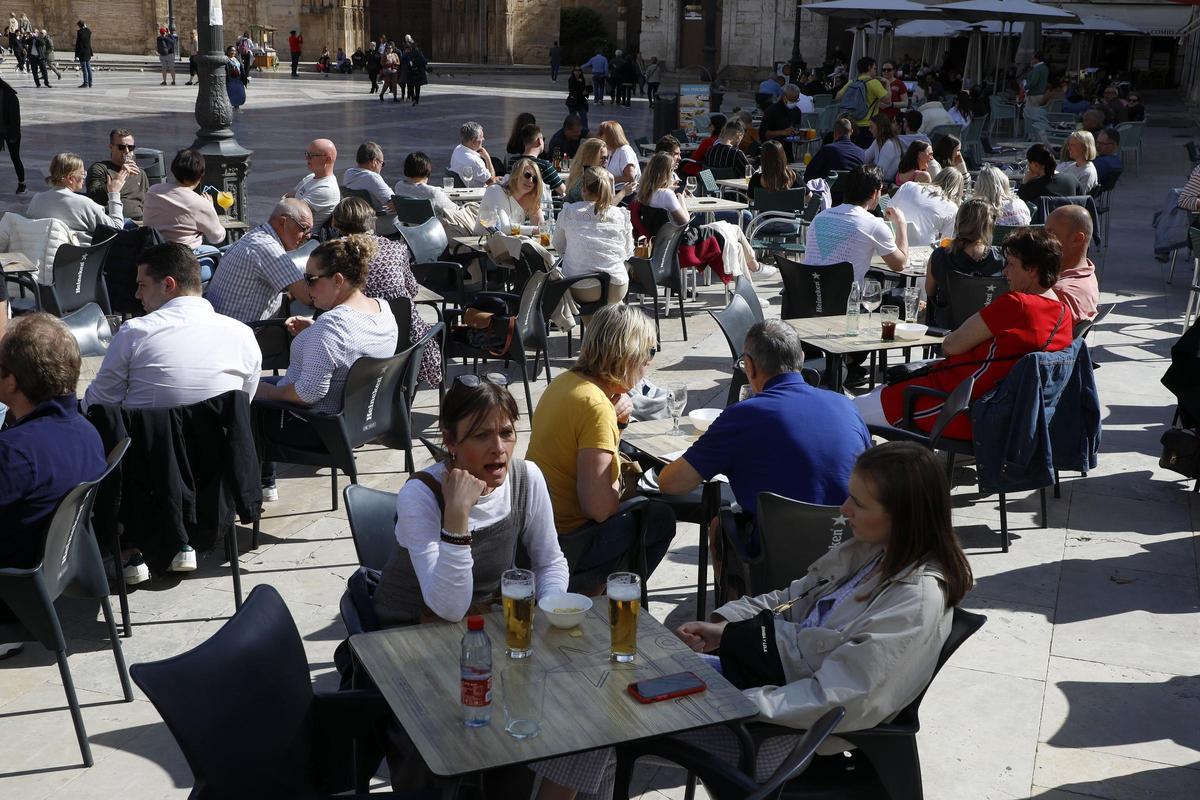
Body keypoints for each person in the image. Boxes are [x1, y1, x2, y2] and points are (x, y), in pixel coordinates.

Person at [532, 440, 973, 800]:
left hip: (777, 734)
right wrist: (725, 627)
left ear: (905, 517)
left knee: (601, 721)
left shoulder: (913, 599)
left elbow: (839, 700)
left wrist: (734, 700)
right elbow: (789, 598)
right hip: (759, 688)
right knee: (603, 687)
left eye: (858, 502)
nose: (843, 510)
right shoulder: (872, 552)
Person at [657, 320, 870, 558]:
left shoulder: (743, 416)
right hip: (849, 548)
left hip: (780, 559)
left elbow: (671, 484)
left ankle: (738, 595)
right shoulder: (844, 404)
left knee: (720, 525)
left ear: (749, 366)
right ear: (800, 357)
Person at [372, 375, 568, 628]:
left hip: (483, 622)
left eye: (506, 433)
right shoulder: (421, 495)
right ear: (451, 441)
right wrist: (457, 514)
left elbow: (550, 563)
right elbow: (449, 608)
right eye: (481, 435)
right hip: (410, 630)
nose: (499, 448)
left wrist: (549, 609)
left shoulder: (526, 478)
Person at [854, 228, 1072, 439]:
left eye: (1012, 265)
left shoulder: (1018, 304)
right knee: (872, 397)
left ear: (1032, 269)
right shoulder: (1064, 314)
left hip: (955, 407)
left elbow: (951, 345)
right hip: (1004, 415)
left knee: (848, 413)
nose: (1005, 272)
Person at [525, 304, 675, 582]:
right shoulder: (596, 406)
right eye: (650, 352)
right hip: (568, 543)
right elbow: (599, 508)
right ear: (628, 356)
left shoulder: (564, 382)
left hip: (536, 531)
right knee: (660, 518)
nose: (651, 361)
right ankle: (601, 596)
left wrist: (617, 423)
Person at [253, 235, 398, 499]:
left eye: (311, 279)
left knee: (241, 402)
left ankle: (255, 489)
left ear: (338, 280)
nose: (306, 287)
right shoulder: (382, 310)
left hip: (317, 425)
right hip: (360, 419)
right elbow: (353, 348)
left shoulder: (331, 327)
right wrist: (314, 332)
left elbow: (308, 393)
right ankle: (263, 484)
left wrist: (266, 393)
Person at [0, 313, 108, 656]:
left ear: (13, 382)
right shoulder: (85, 432)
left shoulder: (16, 452)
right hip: (52, 578)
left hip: (14, 595)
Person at [82, 241, 261, 422]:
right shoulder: (244, 335)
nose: (137, 294)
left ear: (168, 285)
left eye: (142, 285)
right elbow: (241, 407)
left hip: (147, 448)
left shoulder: (136, 332)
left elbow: (98, 405)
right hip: (219, 447)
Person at [329, 198, 442, 386]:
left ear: (337, 223)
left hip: (353, 338)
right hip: (401, 338)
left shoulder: (335, 252)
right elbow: (412, 290)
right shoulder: (396, 248)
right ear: (370, 221)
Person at [634, 152, 763, 287]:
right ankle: (754, 269)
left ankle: (750, 282)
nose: (673, 174)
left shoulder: (645, 193)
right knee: (735, 234)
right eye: (672, 170)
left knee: (736, 244)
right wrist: (681, 198)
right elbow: (685, 221)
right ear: (665, 173)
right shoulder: (666, 194)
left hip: (664, 245)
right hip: (685, 244)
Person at [205, 199, 314, 322]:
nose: (308, 236)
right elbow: (308, 297)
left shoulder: (257, 235)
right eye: (304, 228)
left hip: (220, 321)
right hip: (242, 332)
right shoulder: (268, 247)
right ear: (283, 221)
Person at [803, 165, 908, 285]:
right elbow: (900, 264)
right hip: (845, 300)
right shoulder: (874, 225)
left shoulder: (819, 217)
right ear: (874, 193)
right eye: (882, 190)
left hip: (808, 296)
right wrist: (901, 224)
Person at [553, 167, 633, 309]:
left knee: (588, 308)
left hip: (581, 284)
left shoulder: (569, 212)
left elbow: (558, 246)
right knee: (610, 304)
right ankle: (605, 329)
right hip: (617, 284)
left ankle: (595, 330)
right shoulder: (620, 214)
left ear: (583, 188)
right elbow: (627, 252)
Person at [141, 148, 226, 278]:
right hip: (184, 265)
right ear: (200, 176)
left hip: (154, 261)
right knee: (222, 254)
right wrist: (210, 207)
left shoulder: (153, 191)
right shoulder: (200, 203)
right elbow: (217, 237)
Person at [924, 199, 1005, 329]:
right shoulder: (1002, 259)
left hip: (948, 332)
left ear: (958, 223)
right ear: (989, 227)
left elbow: (930, 292)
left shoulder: (940, 256)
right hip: (987, 334)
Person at [27, 152, 125, 245]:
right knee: (129, 224)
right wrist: (114, 193)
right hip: (78, 259)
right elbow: (116, 230)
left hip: (42, 255)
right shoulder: (83, 204)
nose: (84, 178)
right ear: (70, 178)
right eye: (83, 174)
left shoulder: (37, 199)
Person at [1044, 204, 1099, 324]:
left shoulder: (1058, 292)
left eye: (1051, 234)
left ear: (1077, 239)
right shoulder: (1088, 272)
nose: (1044, 239)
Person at [86, 128, 149, 222]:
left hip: (139, 222)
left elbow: (146, 203)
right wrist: (119, 177)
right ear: (111, 147)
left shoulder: (140, 173)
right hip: (112, 222)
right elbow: (95, 198)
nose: (127, 151)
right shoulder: (100, 168)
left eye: (131, 147)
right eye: (121, 147)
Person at [890, 168, 962, 246]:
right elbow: (944, 244)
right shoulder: (952, 208)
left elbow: (888, 212)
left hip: (893, 242)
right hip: (922, 250)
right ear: (956, 190)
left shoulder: (908, 185)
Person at [475, 157, 546, 234]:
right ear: (516, 175)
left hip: (507, 243)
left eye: (535, 179)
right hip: (480, 243)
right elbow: (502, 228)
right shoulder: (495, 190)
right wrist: (534, 230)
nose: (531, 181)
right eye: (527, 175)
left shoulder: (529, 199)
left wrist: (535, 205)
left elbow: (542, 229)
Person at [836, 57, 891, 148]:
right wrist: (887, 83)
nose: (876, 71)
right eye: (875, 68)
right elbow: (888, 100)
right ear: (869, 68)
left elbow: (838, 97)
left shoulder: (852, 82)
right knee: (865, 155)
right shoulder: (873, 83)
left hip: (851, 124)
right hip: (868, 126)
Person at [287, 139, 341, 230]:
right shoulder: (311, 177)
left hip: (300, 241)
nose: (307, 158)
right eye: (307, 154)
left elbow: (291, 213)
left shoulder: (326, 189)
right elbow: (287, 196)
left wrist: (284, 204)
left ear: (327, 159)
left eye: (311, 155)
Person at [342, 140, 397, 225]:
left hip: (357, 222)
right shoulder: (372, 177)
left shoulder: (348, 173)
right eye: (382, 163)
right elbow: (394, 204)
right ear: (375, 162)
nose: (382, 167)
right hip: (379, 225)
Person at [392, 150, 457, 217]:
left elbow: (415, 189)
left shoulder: (399, 186)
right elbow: (456, 210)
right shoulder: (433, 193)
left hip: (408, 226)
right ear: (427, 169)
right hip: (434, 226)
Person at [803, 117, 864, 183]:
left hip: (831, 191)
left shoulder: (827, 149)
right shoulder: (861, 152)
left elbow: (809, 174)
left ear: (834, 133)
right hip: (852, 191)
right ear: (851, 132)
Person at [563, 138, 618, 204]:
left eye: (606, 158)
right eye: (602, 158)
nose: (606, 161)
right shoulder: (593, 178)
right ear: (591, 157)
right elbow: (608, 207)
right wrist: (623, 192)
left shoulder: (577, 172)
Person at [759, 83, 805, 161]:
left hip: (788, 152)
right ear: (784, 97)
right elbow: (763, 134)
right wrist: (782, 132)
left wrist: (800, 138)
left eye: (796, 100)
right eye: (792, 100)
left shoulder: (796, 111)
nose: (794, 102)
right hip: (772, 151)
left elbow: (797, 130)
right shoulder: (772, 110)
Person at [517, 124, 566, 196]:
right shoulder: (545, 166)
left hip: (515, 204)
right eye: (543, 139)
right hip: (538, 205)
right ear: (539, 141)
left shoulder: (512, 162)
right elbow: (563, 191)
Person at [450, 121, 497, 187]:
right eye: (481, 137)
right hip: (480, 193)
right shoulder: (475, 161)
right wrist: (487, 158)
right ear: (473, 141)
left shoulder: (457, 149)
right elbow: (493, 183)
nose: (483, 139)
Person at [862, 113, 903, 184]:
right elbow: (864, 158)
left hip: (888, 183)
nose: (869, 130)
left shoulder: (889, 144)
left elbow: (880, 171)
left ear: (880, 128)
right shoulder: (877, 141)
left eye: (872, 127)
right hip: (879, 180)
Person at [597, 120, 640, 186]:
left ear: (610, 135)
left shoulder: (624, 151)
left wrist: (611, 179)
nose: (599, 135)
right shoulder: (611, 150)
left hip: (626, 193)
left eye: (601, 133)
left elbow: (630, 177)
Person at [0, 77, 24, 194]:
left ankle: (22, 183)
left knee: (15, 157)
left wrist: (15, 135)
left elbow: (15, 118)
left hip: (11, 131)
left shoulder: (10, 96)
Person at [1057, 130, 1099, 195]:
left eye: (1072, 145)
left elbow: (1077, 198)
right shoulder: (1074, 165)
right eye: (1069, 145)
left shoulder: (1087, 173)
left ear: (1084, 147)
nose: (1069, 148)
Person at [566, 66, 591, 131]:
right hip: (573, 102)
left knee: (584, 118)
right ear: (573, 72)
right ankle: (571, 130)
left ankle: (585, 131)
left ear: (580, 72)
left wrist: (587, 90)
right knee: (573, 118)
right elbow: (572, 90)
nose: (577, 72)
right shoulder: (571, 79)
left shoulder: (582, 79)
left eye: (578, 71)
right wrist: (581, 91)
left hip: (581, 102)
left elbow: (584, 89)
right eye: (575, 71)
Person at [225, 46, 247, 110]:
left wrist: (244, 77)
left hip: (238, 79)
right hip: (231, 79)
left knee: (240, 93)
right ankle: (230, 105)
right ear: (228, 51)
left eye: (234, 51)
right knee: (231, 93)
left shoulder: (236, 59)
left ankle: (237, 105)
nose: (233, 52)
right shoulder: (226, 60)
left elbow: (241, 68)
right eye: (231, 50)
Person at [74, 20, 93, 88]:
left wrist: (76, 55)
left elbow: (78, 44)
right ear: (84, 24)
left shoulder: (80, 32)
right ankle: (90, 83)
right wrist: (85, 26)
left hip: (82, 53)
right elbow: (88, 29)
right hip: (88, 52)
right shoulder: (88, 31)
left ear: (79, 26)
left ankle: (86, 83)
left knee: (84, 69)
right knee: (88, 68)